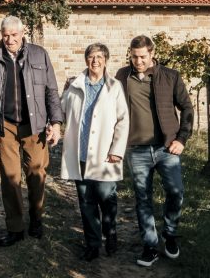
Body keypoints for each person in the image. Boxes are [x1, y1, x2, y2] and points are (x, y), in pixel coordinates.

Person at [0, 15, 64, 246]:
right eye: (5, 35)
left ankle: (36, 219)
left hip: (35, 126)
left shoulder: (39, 54)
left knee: (36, 176)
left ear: (22, 33)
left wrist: (56, 123)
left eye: (14, 35)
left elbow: (51, 91)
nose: (10, 40)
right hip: (5, 126)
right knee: (10, 179)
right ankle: (15, 228)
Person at [115, 35, 194, 267]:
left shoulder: (170, 76)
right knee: (143, 199)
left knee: (176, 192)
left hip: (166, 148)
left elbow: (187, 107)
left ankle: (169, 233)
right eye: (134, 56)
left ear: (152, 53)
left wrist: (182, 138)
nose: (138, 61)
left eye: (142, 57)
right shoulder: (122, 76)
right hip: (137, 150)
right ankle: (150, 246)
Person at [60, 43, 129, 262]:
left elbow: (123, 120)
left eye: (99, 57)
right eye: (91, 56)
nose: (95, 61)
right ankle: (92, 244)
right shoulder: (74, 85)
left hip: (105, 154)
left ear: (106, 60)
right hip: (80, 153)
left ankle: (110, 234)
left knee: (106, 197)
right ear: (86, 60)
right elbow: (61, 111)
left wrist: (117, 150)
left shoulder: (114, 86)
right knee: (86, 201)